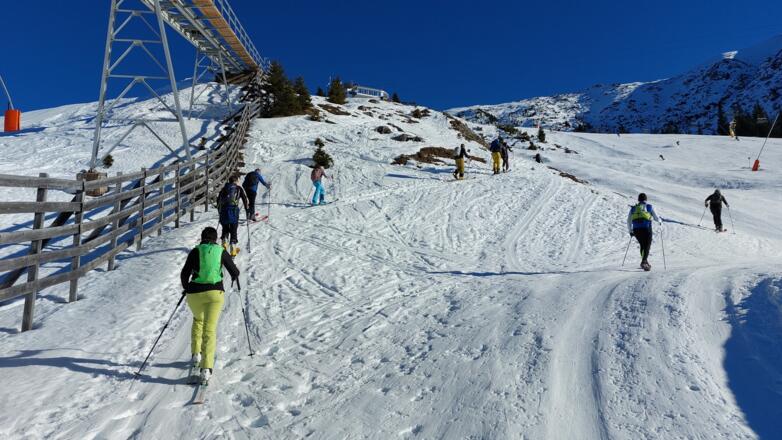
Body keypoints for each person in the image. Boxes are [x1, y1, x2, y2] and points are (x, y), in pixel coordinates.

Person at [180, 226, 240, 385]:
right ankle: (206, 368)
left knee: (198, 320)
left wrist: (186, 288)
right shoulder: (220, 251)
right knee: (210, 328)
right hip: (215, 294)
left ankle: (195, 355)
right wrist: (234, 278)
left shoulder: (195, 251)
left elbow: (184, 273)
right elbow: (235, 271)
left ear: (202, 238)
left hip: (194, 294)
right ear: (215, 238)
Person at [627, 193, 662, 271]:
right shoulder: (649, 207)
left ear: (638, 200)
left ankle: (645, 261)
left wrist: (630, 231)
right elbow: (656, 218)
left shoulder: (633, 208)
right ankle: (644, 262)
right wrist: (660, 221)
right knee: (647, 244)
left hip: (636, 230)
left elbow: (628, 221)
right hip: (646, 228)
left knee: (642, 244)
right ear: (646, 199)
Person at [216, 175, 249, 256]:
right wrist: (247, 209)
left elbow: (218, 200)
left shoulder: (224, 189)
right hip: (234, 211)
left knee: (225, 228)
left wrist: (219, 211)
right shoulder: (238, 188)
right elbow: (245, 199)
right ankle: (233, 249)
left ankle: (224, 242)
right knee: (233, 230)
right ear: (235, 181)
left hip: (224, 211)